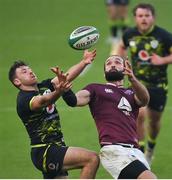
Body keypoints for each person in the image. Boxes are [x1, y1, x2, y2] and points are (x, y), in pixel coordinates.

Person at [8, 49, 100, 179]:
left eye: (29, 69)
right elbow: (43, 101)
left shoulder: (43, 87)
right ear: (17, 82)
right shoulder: (24, 100)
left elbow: (65, 77)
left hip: (55, 147)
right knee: (91, 158)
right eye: (24, 71)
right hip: (45, 151)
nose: (30, 71)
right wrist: (59, 92)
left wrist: (84, 62)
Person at [61, 55, 157, 179]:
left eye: (117, 62)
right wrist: (65, 90)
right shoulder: (95, 89)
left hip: (135, 152)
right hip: (114, 150)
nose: (112, 64)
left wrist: (133, 79)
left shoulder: (131, 92)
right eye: (108, 63)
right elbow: (74, 100)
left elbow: (144, 100)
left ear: (125, 68)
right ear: (104, 72)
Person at [117, 3, 172, 165]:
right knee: (139, 115)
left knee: (153, 123)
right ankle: (139, 151)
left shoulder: (164, 36)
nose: (144, 19)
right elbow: (121, 47)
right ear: (135, 18)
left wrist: (162, 60)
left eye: (147, 16)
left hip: (158, 86)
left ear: (153, 17)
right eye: (140, 16)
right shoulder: (129, 34)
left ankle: (151, 148)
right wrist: (120, 61)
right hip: (137, 83)